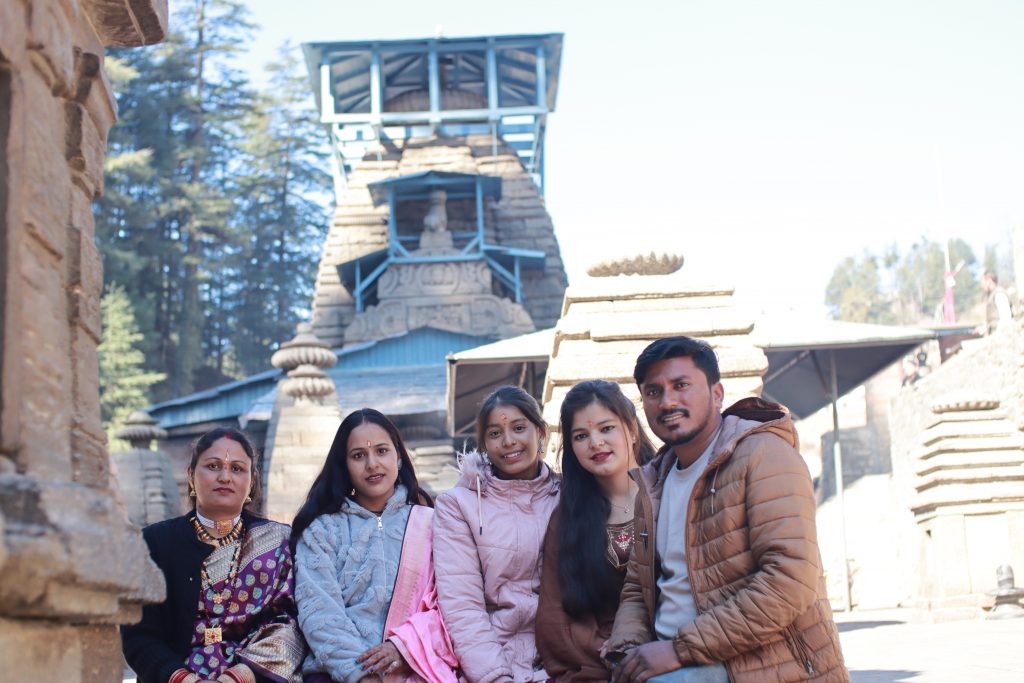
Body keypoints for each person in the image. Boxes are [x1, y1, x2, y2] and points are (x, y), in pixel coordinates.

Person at [605, 336, 848, 683]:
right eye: (654, 392)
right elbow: (636, 587)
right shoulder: (654, 480)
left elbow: (789, 579)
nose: (667, 401)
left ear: (717, 394)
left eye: (681, 385)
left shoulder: (763, 455)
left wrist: (678, 650)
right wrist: (627, 652)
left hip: (754, 662)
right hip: (671, 656)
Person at [121, 427, 305, 683]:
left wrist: (238, 677)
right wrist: (184, 679)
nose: (225, 477)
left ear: (252, 480)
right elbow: (139, 635)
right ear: (191, 475)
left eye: (237, 469)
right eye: (213, 466)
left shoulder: (279, 541)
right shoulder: (154, 543)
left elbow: (292, 624)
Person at [291, 409, 458, 683]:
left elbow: (451, 606)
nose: (372, 464)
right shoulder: (322, 531)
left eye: (381, 451)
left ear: (398, 457)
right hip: (337, 674)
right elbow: (319, 611)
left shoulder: (432, 525)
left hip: (416, 666)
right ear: (344, 465)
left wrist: (404, 647)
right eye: (358, 455)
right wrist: (361, 675)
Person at [433, 386, 561, 683]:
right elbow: (462, 607)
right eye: (495, 433)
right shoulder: (458, 506)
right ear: (484, 444)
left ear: (541, 432)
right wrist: (495, 677)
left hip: (565, 655)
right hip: (490, 658)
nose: (508, 441)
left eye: (519, 428)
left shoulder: (569, 495)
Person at [536, 380, 657, 681]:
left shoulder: (670, 491)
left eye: (606, 428)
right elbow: (554, 615)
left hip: (674, 649)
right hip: (599, 660)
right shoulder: (568, 519)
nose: (595, 442)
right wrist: (611, 652)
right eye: (581, 436)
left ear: (632, 429)